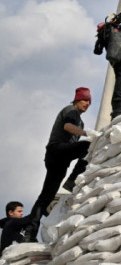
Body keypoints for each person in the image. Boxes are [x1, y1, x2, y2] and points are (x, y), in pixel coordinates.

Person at [24, 87, 95, 242]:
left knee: (47, 196)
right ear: (77, 100)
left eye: (89, 101)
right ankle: (72, 181)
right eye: (84, 100)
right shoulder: (71, 111)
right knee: (89, 146)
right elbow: (67, 127)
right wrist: (86, 134)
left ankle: (29, 232)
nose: (87, 103)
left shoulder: (80, 121)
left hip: (60, 159)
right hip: (57, 150)